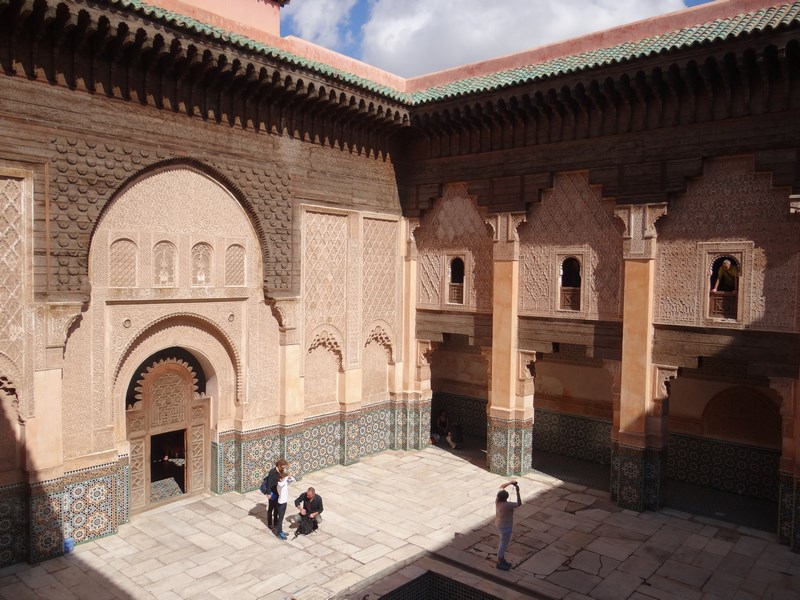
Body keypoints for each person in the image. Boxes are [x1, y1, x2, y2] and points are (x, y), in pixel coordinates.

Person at [495, 480, 521, 571]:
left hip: (499, 524)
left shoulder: (498, 500)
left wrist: (510, 483)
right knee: (503, 544)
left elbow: (502, 486)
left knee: (502, 542)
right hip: (505, 527)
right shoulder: (506, 505)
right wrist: (517, 491)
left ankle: (502, 559)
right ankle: (500, 561)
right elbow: (519, 503)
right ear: (506, 497)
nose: (505, 490)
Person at [265, 458, 289, 530]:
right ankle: (269, 523)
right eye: (282, 467)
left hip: (278, 492)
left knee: (276, 507)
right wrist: (268, 493)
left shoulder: (281, 471)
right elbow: (268, 483)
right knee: (271, 508)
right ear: (279, 465)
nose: (283, 469)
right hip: (272, 492)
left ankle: (275, 521)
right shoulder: (272, 472)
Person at [274, 470, 296, 540]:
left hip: (284, 502)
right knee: (280, 519)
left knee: (282, 517)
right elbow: (282, 483)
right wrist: (286, 477)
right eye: (283, 478)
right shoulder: (279, 484)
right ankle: (279, 533)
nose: (284, 479)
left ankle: (281, 531)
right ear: (280, 478)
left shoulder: (284, 483)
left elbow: (293, 480)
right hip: (281, 503)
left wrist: (289, 477)